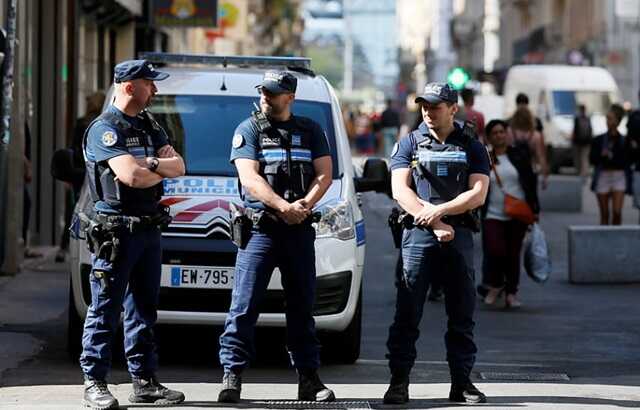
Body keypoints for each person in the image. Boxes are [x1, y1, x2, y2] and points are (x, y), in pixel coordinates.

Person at [218, 70, 334, 403]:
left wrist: (305, 205)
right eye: (263, 92)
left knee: (301, 308)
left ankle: (309, 379)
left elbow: (324, 174)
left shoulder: (310, 131)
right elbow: (250, 179)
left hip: (298, 231)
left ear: (290, 98)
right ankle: (232, 376)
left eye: (273, 93)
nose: (266, 97)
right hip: (260, 230)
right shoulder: (249, 130)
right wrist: (284, 207)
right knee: (243, 306)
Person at [79, 59, 186, 409]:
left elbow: (180, 167)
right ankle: (94, 381)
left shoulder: (148, 123)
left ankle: (144, 382)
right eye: (149, 83)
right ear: (128, 86)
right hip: (117, 233)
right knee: (105, 308)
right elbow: (131, 178)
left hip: (148, 229)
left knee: (143, 309)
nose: (154, 89)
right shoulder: (105, 129)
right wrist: (155, 166)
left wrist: (149, 164)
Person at [384, 82, 490, 405]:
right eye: (425, 106)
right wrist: (435, 221)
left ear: (453, 109)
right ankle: (399, 382)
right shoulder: (409, 143)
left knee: (461, 314)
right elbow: (400, 191)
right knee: (407, 313)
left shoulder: (472, 145)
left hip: (458, 237)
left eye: (436, 106)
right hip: (418, 236)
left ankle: (461, 382)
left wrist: (442, 211)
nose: (428, 112)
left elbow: (478, 193)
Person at [481, 120, 539, 308]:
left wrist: (535, 209)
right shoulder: (485, 158)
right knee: (495, 250)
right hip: (492, 213)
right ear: (489, 137)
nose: (499, 136)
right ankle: (496, 285)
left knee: (513, 254)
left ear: (507, 134)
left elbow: (530, 183)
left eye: (502, 132)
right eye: (495, 133)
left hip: (517, 213)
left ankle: (511, 293)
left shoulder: (519, 155)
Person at [56, 91, 106, 262]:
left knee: (77, 208)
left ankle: (66, 246)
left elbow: (73, 149)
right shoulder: (103, 124)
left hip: (79, 173)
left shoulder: (82, 123)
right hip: (95, 173)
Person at [589, 103, 631, 225]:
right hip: (603, 175)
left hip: (619, 176)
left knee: (617, 212)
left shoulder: (624, 140)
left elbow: (627, 160)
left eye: (610, 118)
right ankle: (604, 241)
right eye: (607, 118)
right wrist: (602, 155)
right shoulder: (599, 140)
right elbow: (592, 159)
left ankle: (616, 238)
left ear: (618, 121)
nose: (607, 121)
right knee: (604, 213)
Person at [513, 93, 549, 187]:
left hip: (513, 167)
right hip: (531, 165)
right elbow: (541, 149)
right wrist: (544, 173)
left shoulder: (510, 125)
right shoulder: (536, 124)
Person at [571, 104, 593, 177]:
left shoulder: (578, 119)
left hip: (578, 141)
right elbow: (590, 130)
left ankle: (580, 170)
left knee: (580, 157)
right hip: (585, 141)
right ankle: (584, 171)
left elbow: (575, 130)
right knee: (584, 157)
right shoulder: (587, 119)